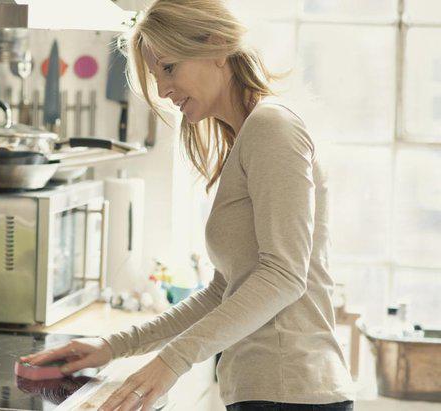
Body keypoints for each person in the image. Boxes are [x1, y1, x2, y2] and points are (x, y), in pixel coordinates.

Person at [19, 0, 355, 410]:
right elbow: (221, 291)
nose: (162, 89)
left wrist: (170, 362)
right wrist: (113, 346)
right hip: (268, 392)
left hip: (292, 392)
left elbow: (285, 275)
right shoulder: (248, 135)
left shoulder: (272, 128)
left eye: (168, 67)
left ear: (216, 48)